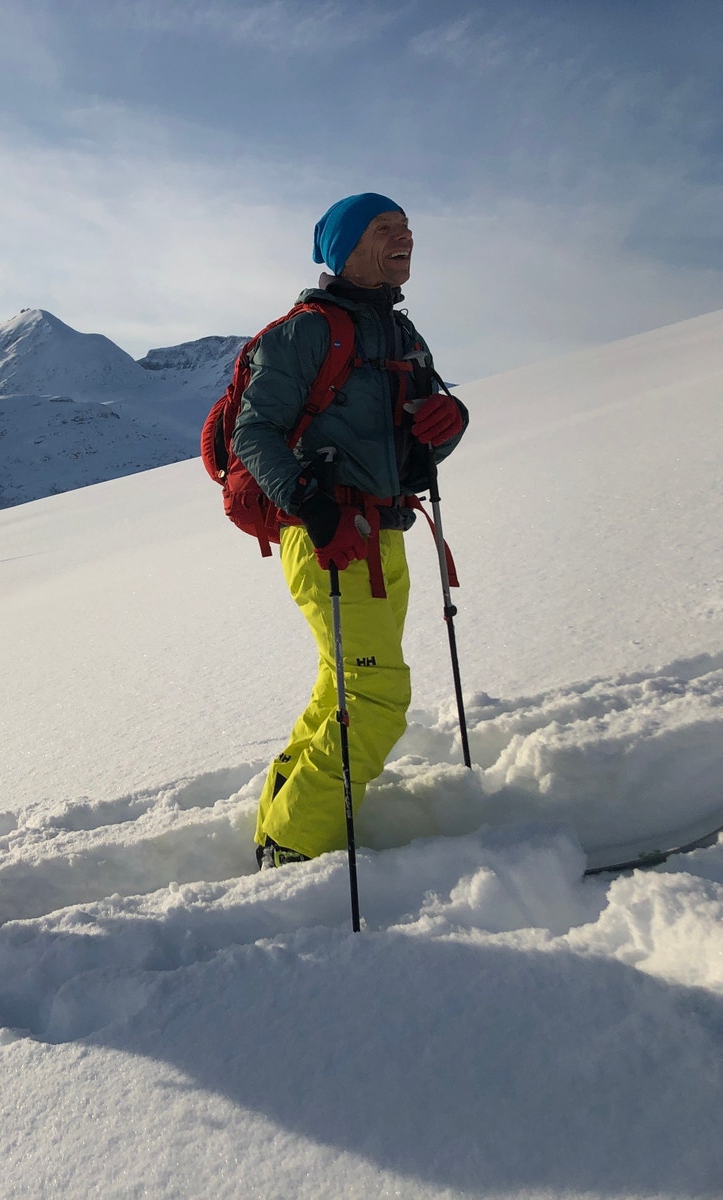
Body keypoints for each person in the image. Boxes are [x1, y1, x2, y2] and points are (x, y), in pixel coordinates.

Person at [231, 193, 467, 868]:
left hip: (382, 534)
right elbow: (254, 432)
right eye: (386, 229)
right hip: (330, 536)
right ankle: (300, 849)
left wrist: (450, 423)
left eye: (408, 228)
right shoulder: (307, 331)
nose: (406, 237)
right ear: (347, 248)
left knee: (344, 688)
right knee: (377, 699)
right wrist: (316, 509)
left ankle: (281, 822)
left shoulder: (402, 334)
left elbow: (414, 450)